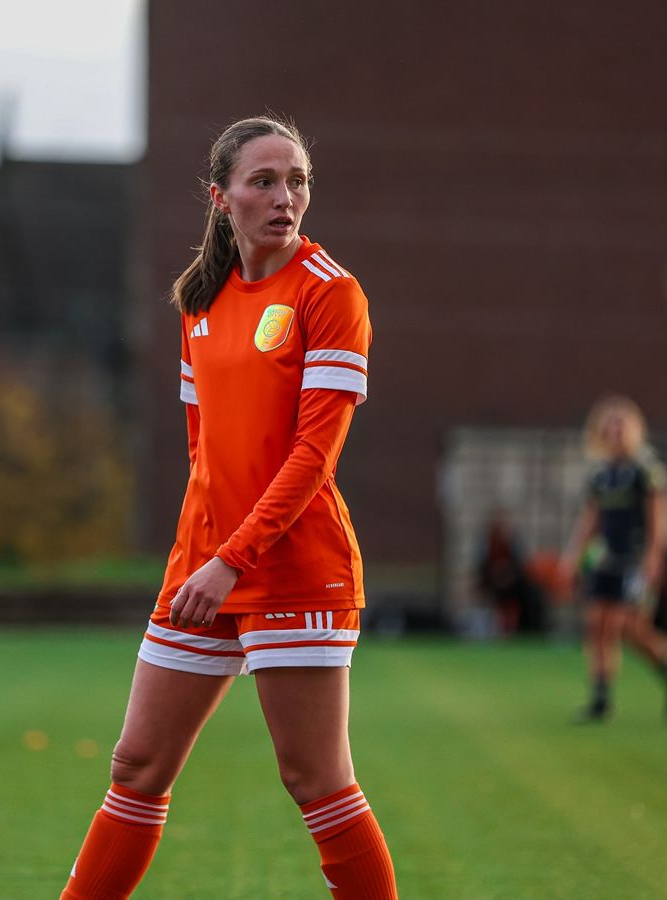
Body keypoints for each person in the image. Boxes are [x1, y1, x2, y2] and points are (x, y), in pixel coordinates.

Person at [60, 115, 397, 899]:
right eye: (265, 181)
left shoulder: (332, 294)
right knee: (137, 766)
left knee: (315, 779)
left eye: (298, 180)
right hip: (203, 567)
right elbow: (202, 454)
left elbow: (314, 457)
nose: (286, 197)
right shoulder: (198, 303)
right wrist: (204, 557)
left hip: (294, 569)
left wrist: (231, 558)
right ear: (222, 198)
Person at [558, 394, 667, 722]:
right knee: (596, 623)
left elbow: (659, 519)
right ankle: (601, 699)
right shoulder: (601, 475)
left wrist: (653, 558)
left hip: (634, 558)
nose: (615, 432)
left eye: (621, 425)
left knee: (628, 627)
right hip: (607, 557)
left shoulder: (646, 471)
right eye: (609, 426)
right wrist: (573, 556)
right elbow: (591, 519)